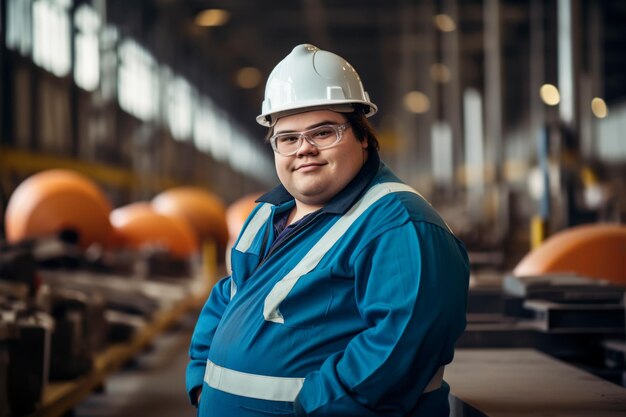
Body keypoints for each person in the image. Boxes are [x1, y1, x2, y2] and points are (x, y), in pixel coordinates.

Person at [186, 44, 469, 417]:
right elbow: (229, 296)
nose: (303, 149)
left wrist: (313, 407)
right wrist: (201, 382)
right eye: (287, 138)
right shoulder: (266, 214)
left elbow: (400, 346)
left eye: (323, 133)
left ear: (362, 135)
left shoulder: (400, 226)